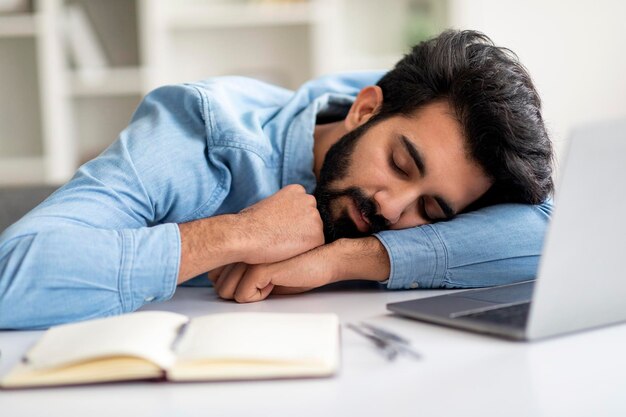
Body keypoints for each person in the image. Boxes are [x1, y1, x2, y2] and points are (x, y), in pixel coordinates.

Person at [0, 30, 553, 329]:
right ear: (364, 110)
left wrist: (341, 260)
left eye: (430, 212)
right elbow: (10, 279)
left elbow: (553, 230)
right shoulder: (195, 136)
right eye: (400, 166)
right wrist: (233, 235)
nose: (392, 209)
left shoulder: (441, 137)